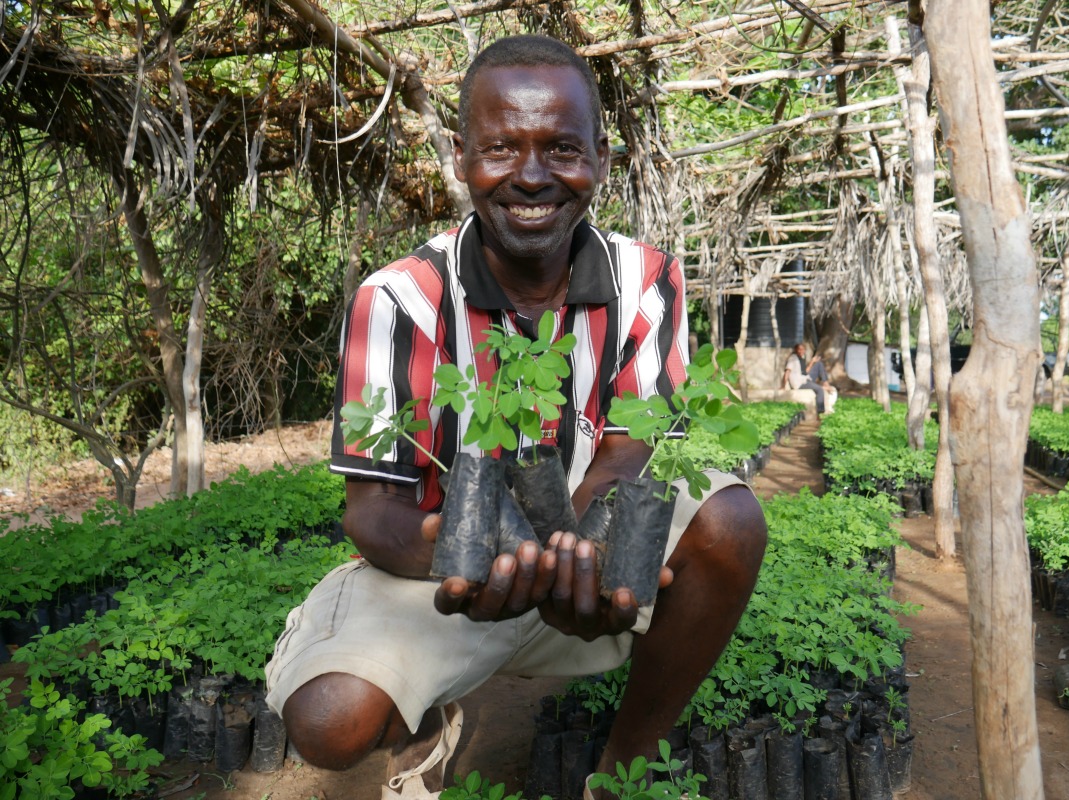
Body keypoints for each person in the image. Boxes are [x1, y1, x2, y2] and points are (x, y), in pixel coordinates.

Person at [263, 35, 768, 800]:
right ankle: (428, 723)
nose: (532, 176)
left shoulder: (648, 279)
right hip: (440, 569)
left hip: (581, 547)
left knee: (730, 519)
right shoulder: (400, 299)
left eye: (562, 148)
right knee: (330, 721)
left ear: (600, 156)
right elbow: (374, 512)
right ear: (462, 155)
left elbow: (626, 455)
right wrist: (475, 560)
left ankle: (623, 767)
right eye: (501, 148)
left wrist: (579, 555)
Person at [781, 342, 832, 414]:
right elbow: (787, 372)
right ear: (796, 350)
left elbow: (806, 372)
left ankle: (825, 383)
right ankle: (820, 412)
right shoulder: (793, 359)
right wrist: (783, 386)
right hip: (800, 383)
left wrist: (812, 361)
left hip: (805, 378)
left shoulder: (802, 358)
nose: (801, 351)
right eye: (799, 350)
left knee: (819, 364)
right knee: (820, 389)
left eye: (803, 350)